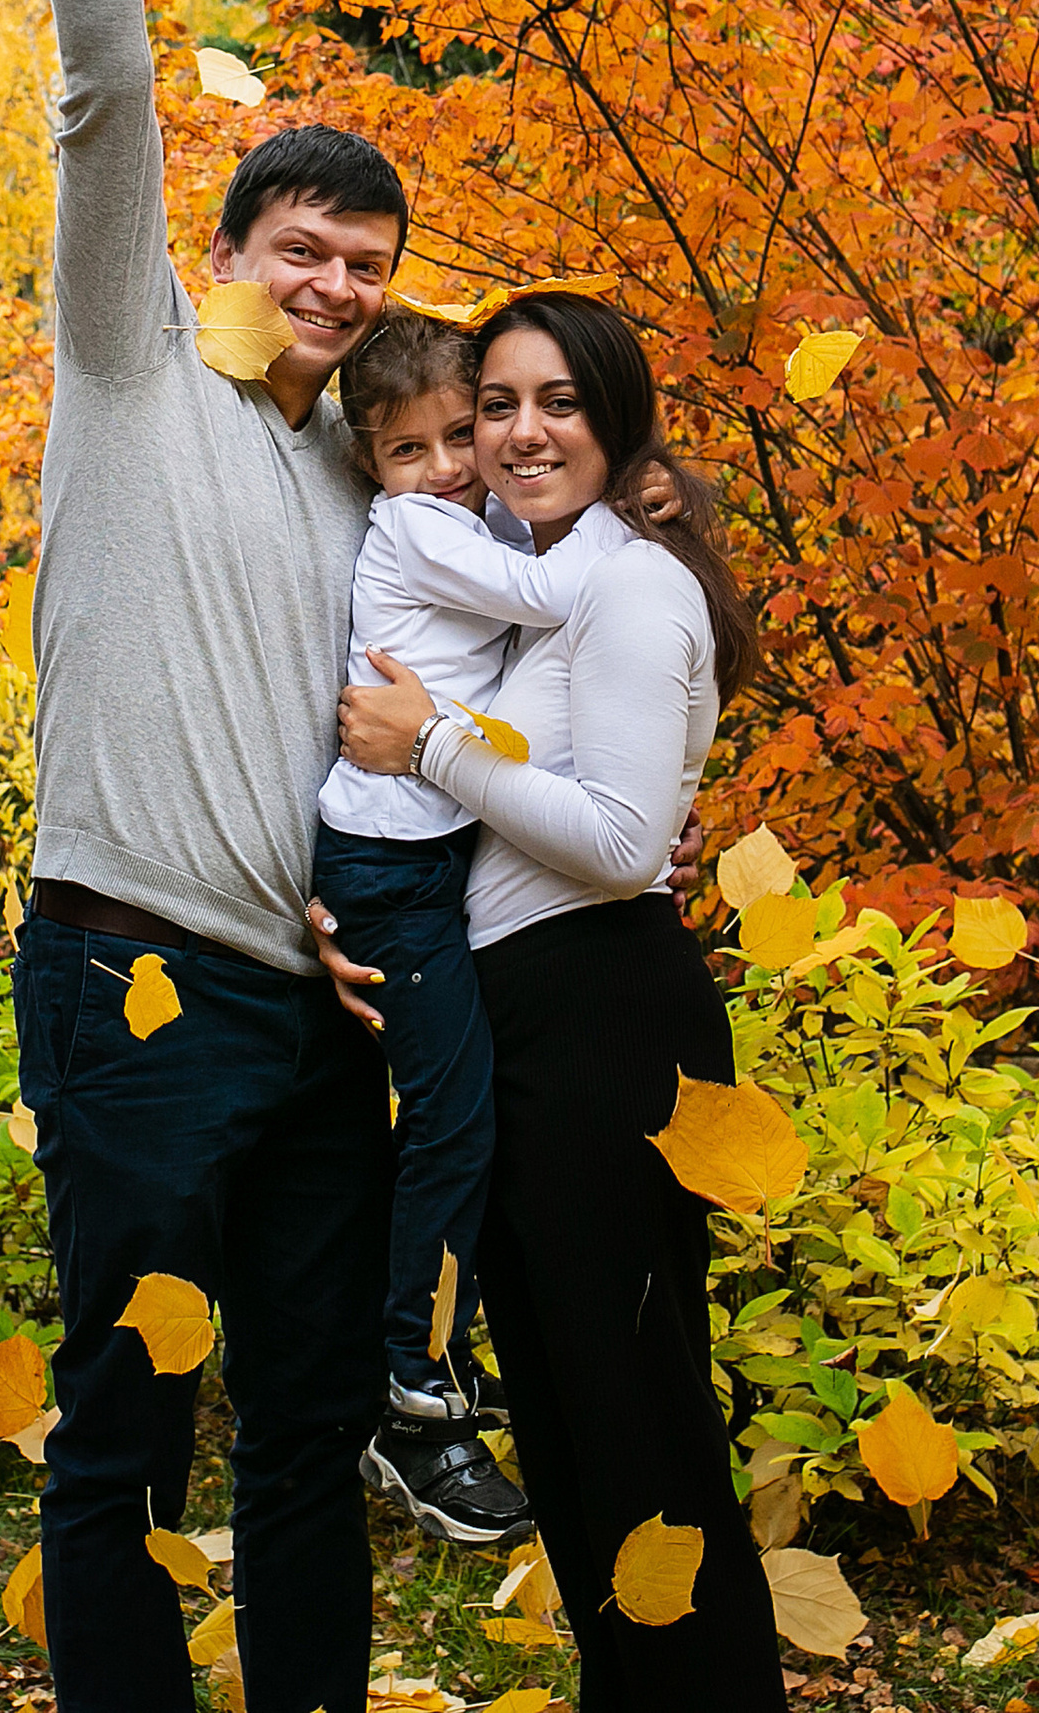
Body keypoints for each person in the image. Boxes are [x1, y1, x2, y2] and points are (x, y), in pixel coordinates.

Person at [4, 0, 402, 1713]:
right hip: (133, 979)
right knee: (126, 1438)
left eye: (364, 263)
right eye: (300, 248)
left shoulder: (364, 487)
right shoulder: (130, 361)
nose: (330, 284)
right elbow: (105, 96)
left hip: (311, 1023)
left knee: (308, 1437)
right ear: (230, 249)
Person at [322, 292, 788, 1711]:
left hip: (605, 1023)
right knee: (578, 1428)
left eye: (557, 405)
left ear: (618, 419)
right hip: (523, 1013)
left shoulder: (627, 584)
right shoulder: (538, 576)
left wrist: (431, 744)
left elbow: (624, 843)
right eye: (498, 406)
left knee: (637, 1429)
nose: (521, 435)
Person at [314, 310, 610, 1548]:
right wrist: (641, 509)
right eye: (405, 447)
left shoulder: (462, 513)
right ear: (370, 467)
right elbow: (552, 596)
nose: (442, 464)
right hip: (389, 867)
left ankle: (434, 1359)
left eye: (456, 434)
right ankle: (410, 1381)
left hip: (428, 855)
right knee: (451, 1114)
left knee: (466, 1111)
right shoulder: (419, 529)